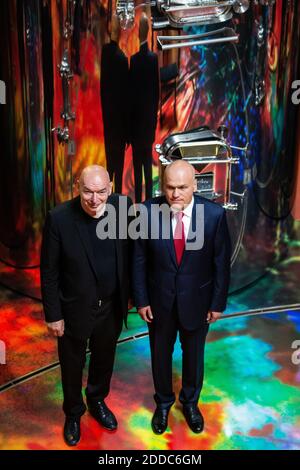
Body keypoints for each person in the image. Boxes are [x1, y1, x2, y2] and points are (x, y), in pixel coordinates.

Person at [132, 160, 231, 434]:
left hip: (198, 304)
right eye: (170, 187)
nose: (175, 194)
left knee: (194, 357)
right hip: (158, 302)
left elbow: (221, 264)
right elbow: (138, 259)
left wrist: (217, 303)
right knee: (160, 355)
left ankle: (190, 403)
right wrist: (141, 300)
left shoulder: (213, 215)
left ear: (195, 186)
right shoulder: (147, 212)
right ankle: (163, 403)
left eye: (182, 187)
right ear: (162, 186)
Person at [40, 165, 133, 446]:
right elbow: (49, 272)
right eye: (88, 192)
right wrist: (53, 315)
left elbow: (131, 252)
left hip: (111, 307)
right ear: (77, 186)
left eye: (101, 192)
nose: (95, 200)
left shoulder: (123, 207)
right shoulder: (59, 219)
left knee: (104, 359)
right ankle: (73, 413)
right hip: (74, 309)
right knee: (72, 364)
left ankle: (96, 400)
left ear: (111, 188)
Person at [129, 13, 159, 202]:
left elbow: (133, 98)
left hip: (139, 126)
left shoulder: (137, 59)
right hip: (145, 126)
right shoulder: (151, 59)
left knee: (141, 167)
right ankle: (146, 203)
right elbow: (154, 95)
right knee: (145, 167)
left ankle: (142, 203)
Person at [100, 14, 129, 193]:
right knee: (117, 165)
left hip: (108, 117)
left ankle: (109, 195)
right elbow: (126, 99)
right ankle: (115, 198)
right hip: (118, 120)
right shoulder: (121, 58)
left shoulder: (106, 53)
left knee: (110, 163)